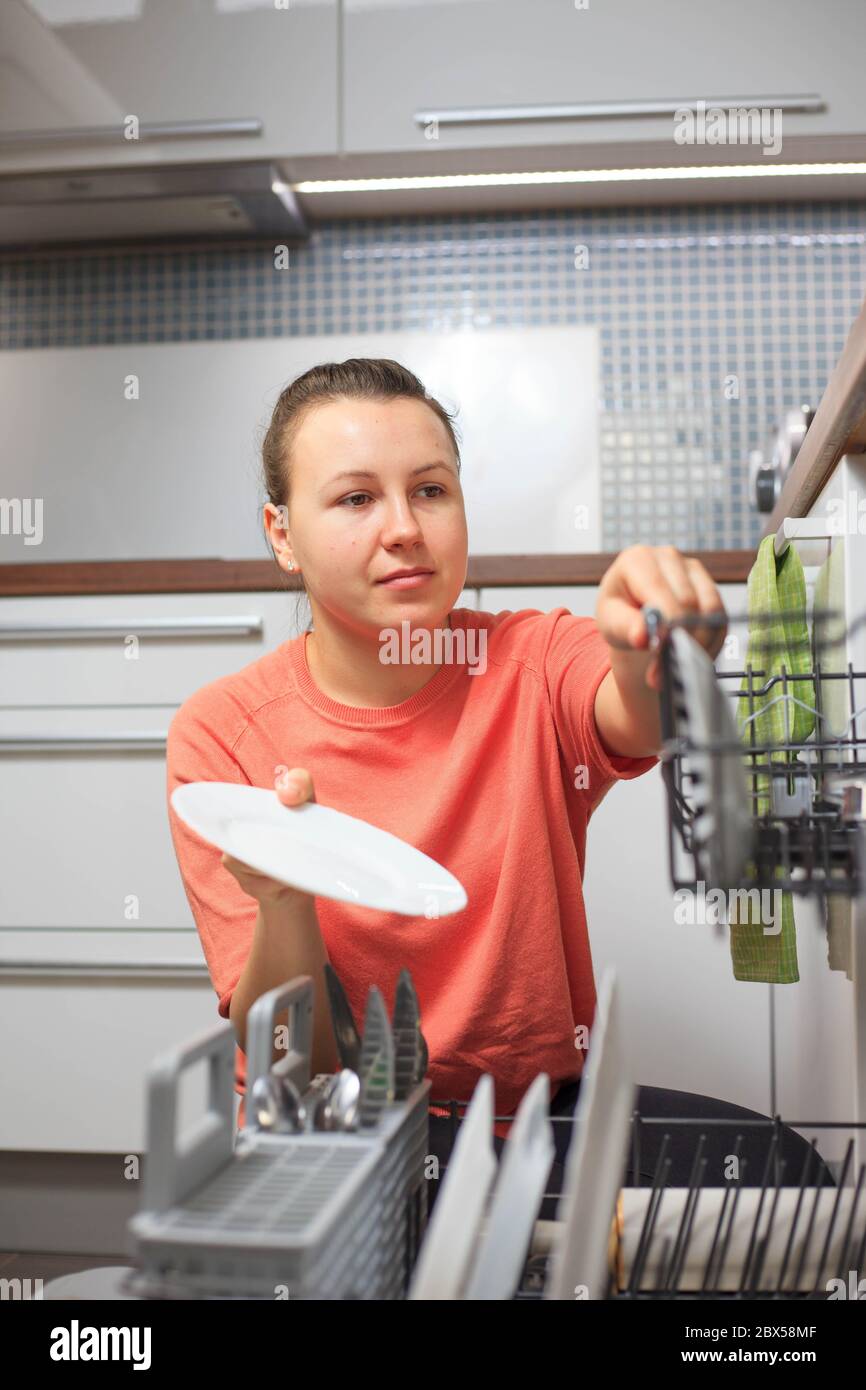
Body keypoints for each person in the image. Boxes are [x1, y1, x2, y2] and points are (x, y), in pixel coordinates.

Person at [165, 357, 757, 1173]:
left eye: (431, 490)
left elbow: (637, 713)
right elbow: (290, 1053)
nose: (404, 526)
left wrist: (656, 646)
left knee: (784, 1174)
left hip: (531, 1124)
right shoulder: (223, 730)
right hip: (334, 1143)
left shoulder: (532, 658)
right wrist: (282, 895)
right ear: (281, 536)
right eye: (356, 498)